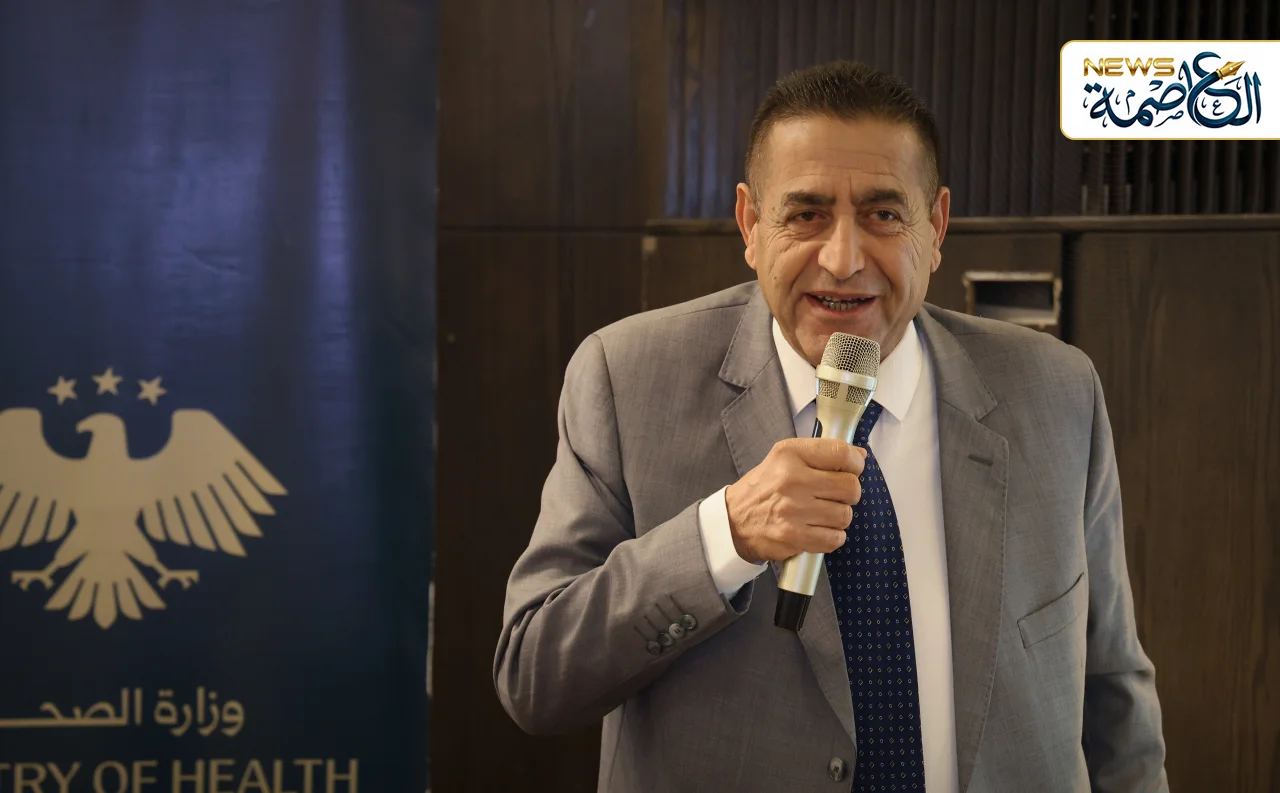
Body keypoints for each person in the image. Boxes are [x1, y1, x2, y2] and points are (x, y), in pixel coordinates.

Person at [494, 60, 1168, 793]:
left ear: (936, 226)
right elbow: (534, 676)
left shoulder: (1057, 391)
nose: (843, 260)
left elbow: (1113, 691)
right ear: (751, 225)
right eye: (806, 214)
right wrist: (725, 534)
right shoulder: (625, 378)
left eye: (883, 215)